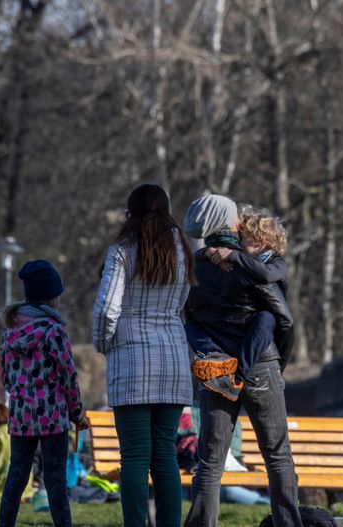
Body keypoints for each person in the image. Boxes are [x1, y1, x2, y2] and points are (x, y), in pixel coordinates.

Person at [181, 194, 303, 527]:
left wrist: (209, 352)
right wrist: (279, 366)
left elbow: (188, 316)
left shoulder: (192, 266)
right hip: (260, 365)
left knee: (210, 462)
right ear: (228, 222)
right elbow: (284, 319)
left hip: (216, 368)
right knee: (277, 457)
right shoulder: (247, 264)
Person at [92, 184, 196, 527]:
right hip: (173, 357)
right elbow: (183, 304)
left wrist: (103, 343)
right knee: (165, 455)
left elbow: (107, 309)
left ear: (130, 214)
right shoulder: (182, 249)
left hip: (132, 360)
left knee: (135, 457)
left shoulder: (122, 250)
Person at [0, 259, 88, 527]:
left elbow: (5, 376)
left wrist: (21, 394)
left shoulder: (10, 330)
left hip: (21, 414)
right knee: (55, 479)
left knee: (17, 475)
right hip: (53, 415)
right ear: (51, 296)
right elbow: (68, 375)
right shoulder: (54, 330)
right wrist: (76, 411)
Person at [187, 206, 289, 401]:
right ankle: (216, 356)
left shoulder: (276, 262)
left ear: (260, 242)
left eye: (243, 239)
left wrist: (233, 255)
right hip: (242, 328)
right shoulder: (245, 261)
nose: (237, 243)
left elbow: (266, 275)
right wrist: (209, 252)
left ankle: (237, 377)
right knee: (190, 326)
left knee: (266, 318)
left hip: (265, 330)